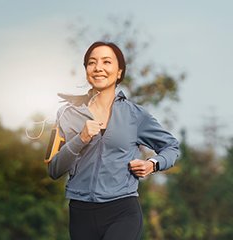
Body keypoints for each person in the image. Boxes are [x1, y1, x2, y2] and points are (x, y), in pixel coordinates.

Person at [47, 41, 180, 240]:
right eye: (92, 63)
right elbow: (54, 169)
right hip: (80, 212)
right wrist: (80, 139)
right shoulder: (67, 114)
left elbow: (172, 147)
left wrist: (152, 164)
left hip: (122, 210)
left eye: (107, 62)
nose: (98, 67)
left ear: (119, 72)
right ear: (86, 70)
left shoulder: (135, 115)